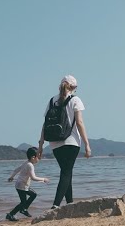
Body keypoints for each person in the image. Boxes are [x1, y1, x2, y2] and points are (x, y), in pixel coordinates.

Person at [38, 75, 91, 210]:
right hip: (71, 141)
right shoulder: (75, 100)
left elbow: (45, 124)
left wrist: (41, 145)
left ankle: (70, 204)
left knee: (66, 172)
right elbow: (79, 122)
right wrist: (87, 144)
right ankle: (55, 205)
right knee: (66, 173)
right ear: (74, 87)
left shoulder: (51, 101)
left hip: (55, 143)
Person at [6, 147, 50, 221]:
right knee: (24, 201)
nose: (39, 159)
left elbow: (17, 169)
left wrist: (11, 177)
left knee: (32, 195)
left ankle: (23, 209)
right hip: (21, 186)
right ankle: (11, 214)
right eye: (38, 157)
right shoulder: (30, 165)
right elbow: (33, 177)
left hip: (21, 185)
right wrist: (43, 179)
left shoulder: (26, 162)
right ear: (33, 157)